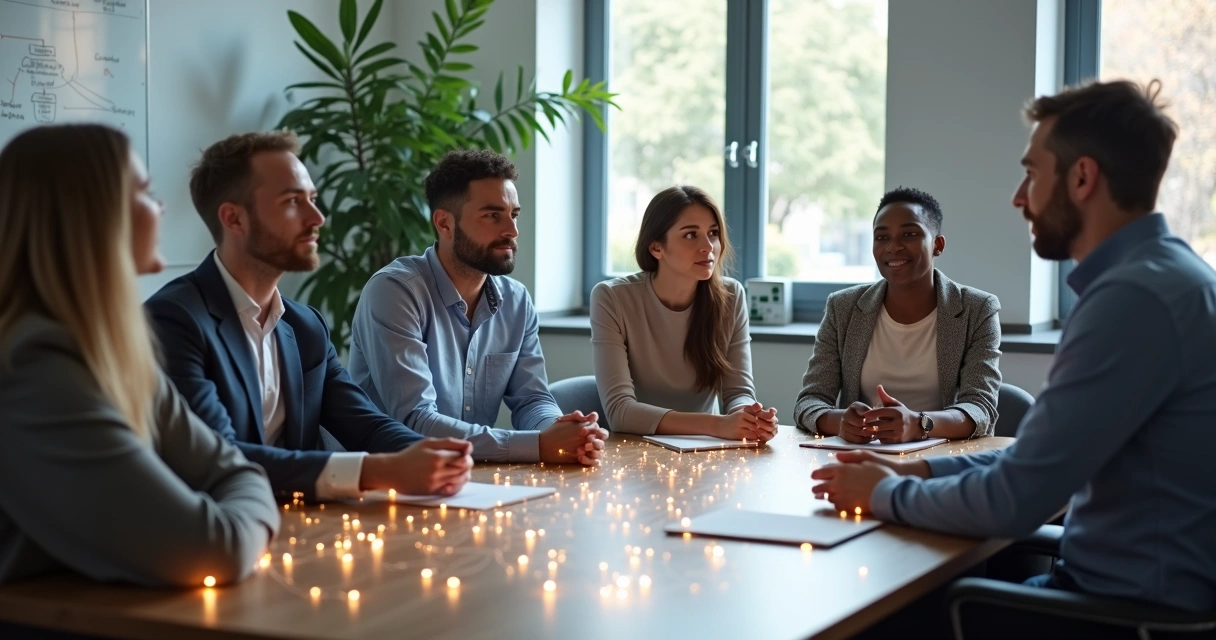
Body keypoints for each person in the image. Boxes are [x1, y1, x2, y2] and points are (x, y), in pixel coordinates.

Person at [812, 80, 1216, 613]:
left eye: (1030, 173)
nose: (1018, 197)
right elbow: (1032, 461)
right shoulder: (1166, 277)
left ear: (1081, 177)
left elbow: (1017, 498)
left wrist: (880, 495)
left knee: (882, 614)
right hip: (1128, 589)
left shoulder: (1131, 300)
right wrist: (916, 471)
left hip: (1123, 613)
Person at [0, 124, 279, 587]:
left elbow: (235, 470)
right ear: (92, 218)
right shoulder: (34, 368)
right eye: (146, 193)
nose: (161, 208)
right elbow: (211, 550)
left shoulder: (110, 350)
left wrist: (238, 504)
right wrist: (244, 514)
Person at [146, 132, 473, 503]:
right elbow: (220, 457)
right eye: (292, 201)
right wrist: (374, 471)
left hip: (304, 526)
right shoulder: (173, 320)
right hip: (210, 537)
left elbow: (364, 424)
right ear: (234, 218)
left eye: (313, 200)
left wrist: (434, 454)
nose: (317, 217)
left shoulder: (304, 327)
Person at [348, 149, 607, 464]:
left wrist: (566, 434)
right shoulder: (396, 291)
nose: (511, 231)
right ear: (445, 224)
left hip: (473, 477)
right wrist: (538, 445)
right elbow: (414, 420)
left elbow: (531, 400)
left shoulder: (516, 301)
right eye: (492, 215)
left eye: (513, 215)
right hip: (389, 482)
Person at [795, 187, 1001, 443]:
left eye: (910, 234)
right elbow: (809, 401)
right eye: (882, 238)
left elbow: (981, 408)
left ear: (938, 245)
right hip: (861, 457)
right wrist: (840, 422)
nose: (893, 247)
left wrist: (920, 424)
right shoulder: (843, 307)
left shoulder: (977, 309)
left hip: (943, 461)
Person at [589, 186, 778, 439]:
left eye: (713, 233)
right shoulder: (612, 298)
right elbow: (621, 412)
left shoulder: (731, 296)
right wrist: (717, 425)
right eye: (691, 235)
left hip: (706, 450)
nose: (708, 246)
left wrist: (750, 417)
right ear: (656, 248)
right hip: (636, 451)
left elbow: (738, 392)